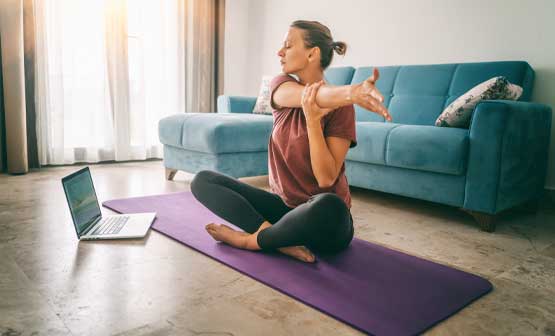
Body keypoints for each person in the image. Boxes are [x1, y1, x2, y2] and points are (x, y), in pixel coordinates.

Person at [190, 20, 391, 263]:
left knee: (330, 204)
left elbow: (326, 178)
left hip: (323, 221)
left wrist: (314, 122)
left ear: (312, 53)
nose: (280, 52)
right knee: (203, 180)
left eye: (288, 45)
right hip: (283, 211)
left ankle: (251, 241)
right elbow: (313, 95)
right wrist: (351, 92)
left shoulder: (342, 110)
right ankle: (274, 238)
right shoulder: (281, 85)